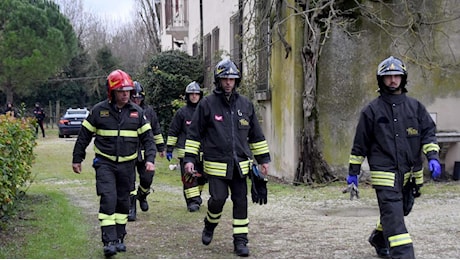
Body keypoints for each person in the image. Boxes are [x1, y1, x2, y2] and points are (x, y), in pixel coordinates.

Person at [347, 56, 441, 259]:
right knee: (396, 221)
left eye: (396, 75)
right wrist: (353, 173)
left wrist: (432, 156)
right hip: (385, 176)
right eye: (388, 76)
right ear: (381, 80)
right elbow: (359, 145)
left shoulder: (416, 108)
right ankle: (403, 255)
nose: (392, 80)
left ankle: (379, 239)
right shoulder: (371, 111)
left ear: (403, 78)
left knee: (401, 210)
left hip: (410, 175)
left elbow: (428, 134)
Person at [183, 59, 271, 257]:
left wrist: (264, 160)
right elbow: (194, 134)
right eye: (225, 79)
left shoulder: (245, 105)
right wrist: (189, 159)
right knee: (218, 200)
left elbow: (256, 136)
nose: (229, 82)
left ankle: (240, 241)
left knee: (241, 202)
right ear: (218, 80)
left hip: (240, 166)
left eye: (232, 79)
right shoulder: (207, 104)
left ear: (236, 81)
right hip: (216, 167)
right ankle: (209, 224)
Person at [72, 69, 156, 258]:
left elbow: (149, 139)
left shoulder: (138, 113)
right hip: (105, 164)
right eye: (121, 90)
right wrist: (77, 158)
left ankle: (119, 238)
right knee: (108, 199)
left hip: (127, 165)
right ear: (112, 92)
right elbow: (84, 136)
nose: (125, 94)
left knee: (123, 202)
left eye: (128, 90)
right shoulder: (98, 111)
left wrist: (150, 159)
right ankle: (108, 241)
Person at [127, 81, 166, 221]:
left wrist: (161, 148)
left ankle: (142, 195)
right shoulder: (126, 110)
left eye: (139, 98)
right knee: (129, 182)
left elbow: (156, 130)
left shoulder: (149, 112)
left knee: (147, 178)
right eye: (134, 98)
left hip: (145, 152)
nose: (137, 101)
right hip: (129, 152)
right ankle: (131, 209)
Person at [166, 81, 206, 212]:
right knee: (189, 178)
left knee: (202, 178)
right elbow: (173, 131)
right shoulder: (182, 113)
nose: (194, 96)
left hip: (203, 152)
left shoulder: (205, 111)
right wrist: (170, 149)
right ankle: (192, 202)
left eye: (196, 94)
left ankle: (197, 198)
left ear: (200, 95)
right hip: (186, 153)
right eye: (191, 94)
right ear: (187, 96)